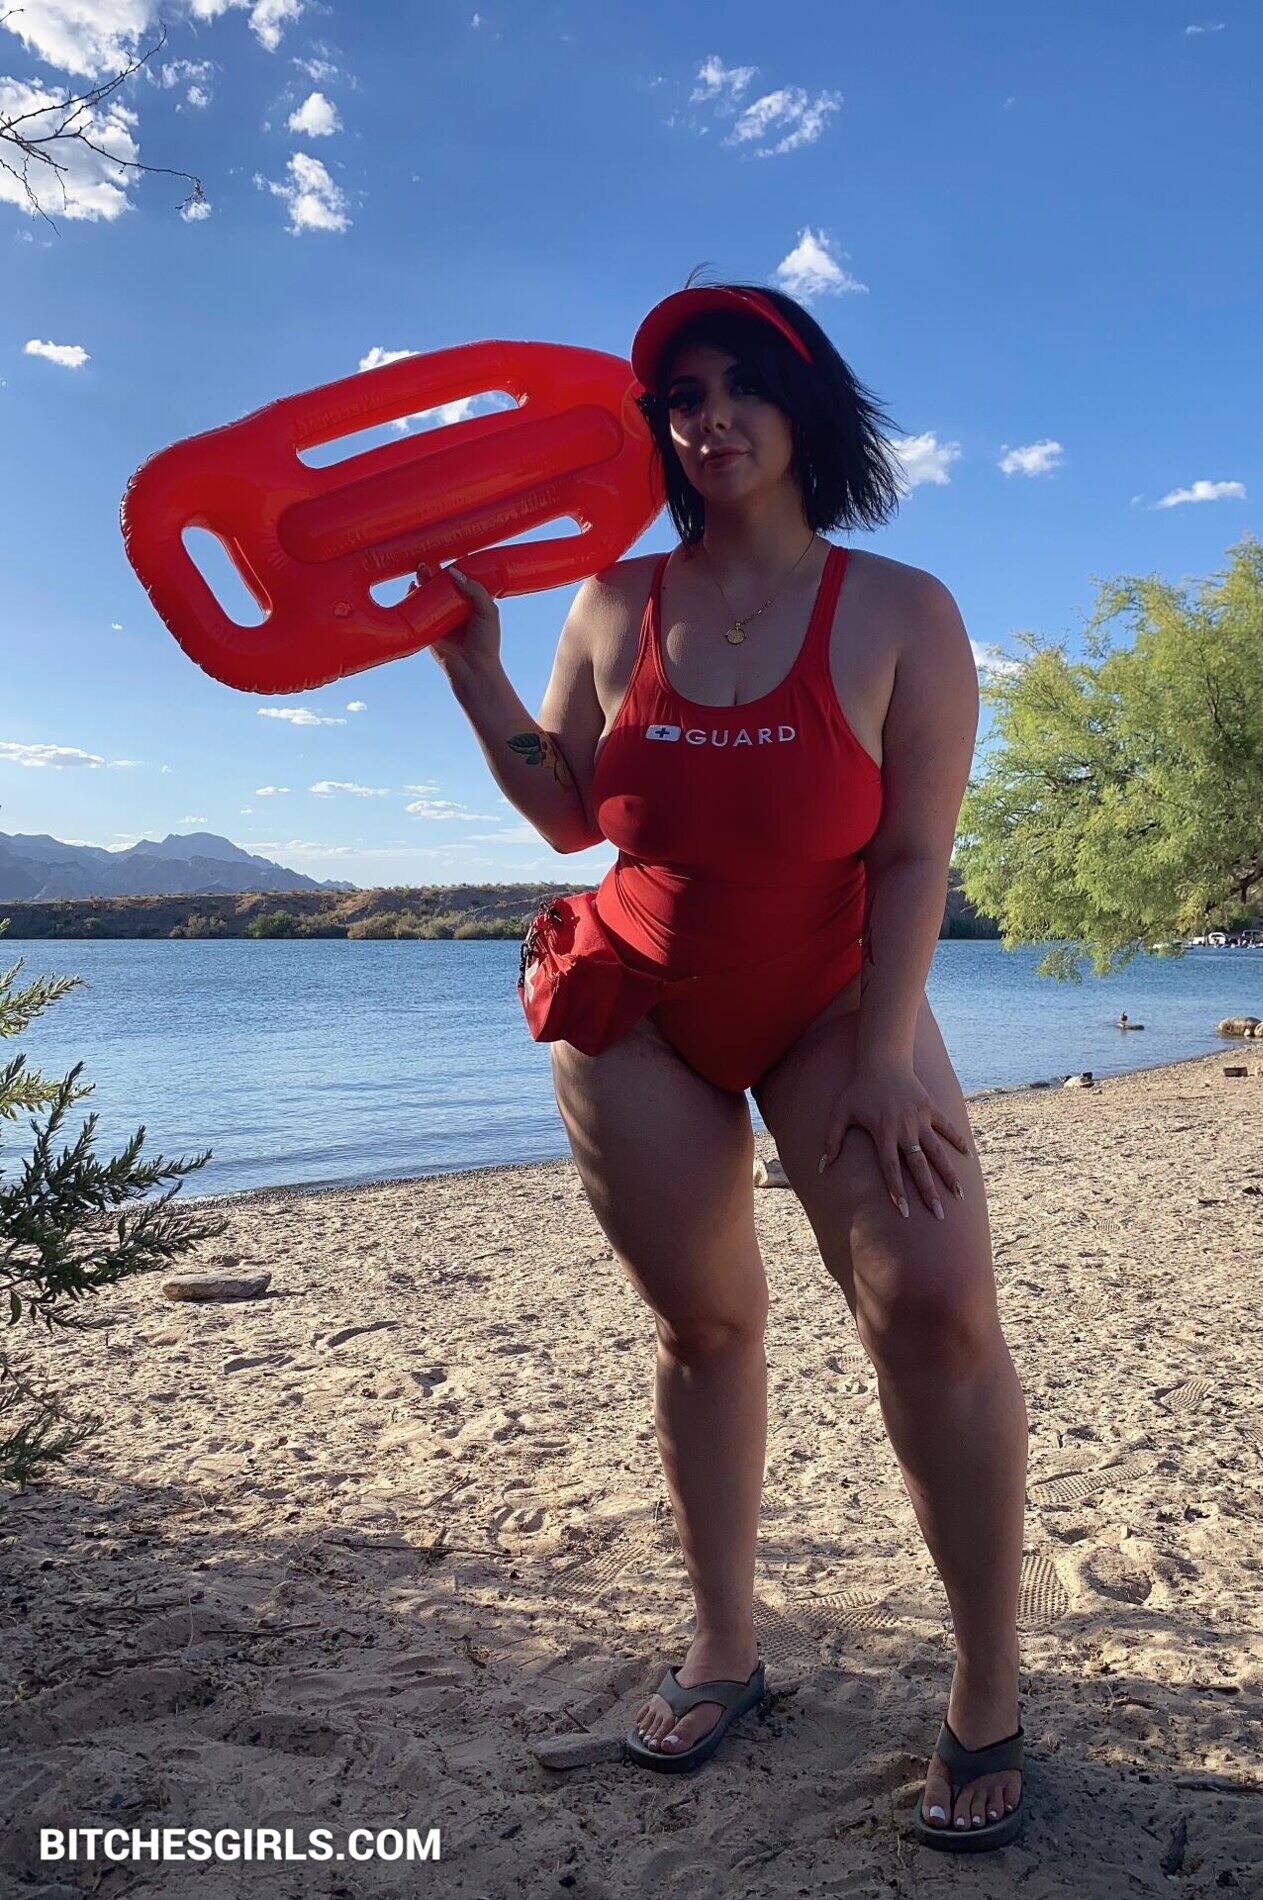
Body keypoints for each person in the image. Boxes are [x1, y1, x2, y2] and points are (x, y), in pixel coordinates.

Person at [420, 280, 1029, 1851]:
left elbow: (913, 858)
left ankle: (985, 1687)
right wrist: (474, 671)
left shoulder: (899, 610)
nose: (709, 417)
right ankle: (723, 1648)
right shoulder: (614, 600)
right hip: (637, 1002)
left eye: (741, 384)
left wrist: (885, 1058)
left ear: (803, 407)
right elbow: (568, 810)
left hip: (837, 1003)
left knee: (937, 1313)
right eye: (681, 395)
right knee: (701, 1328)